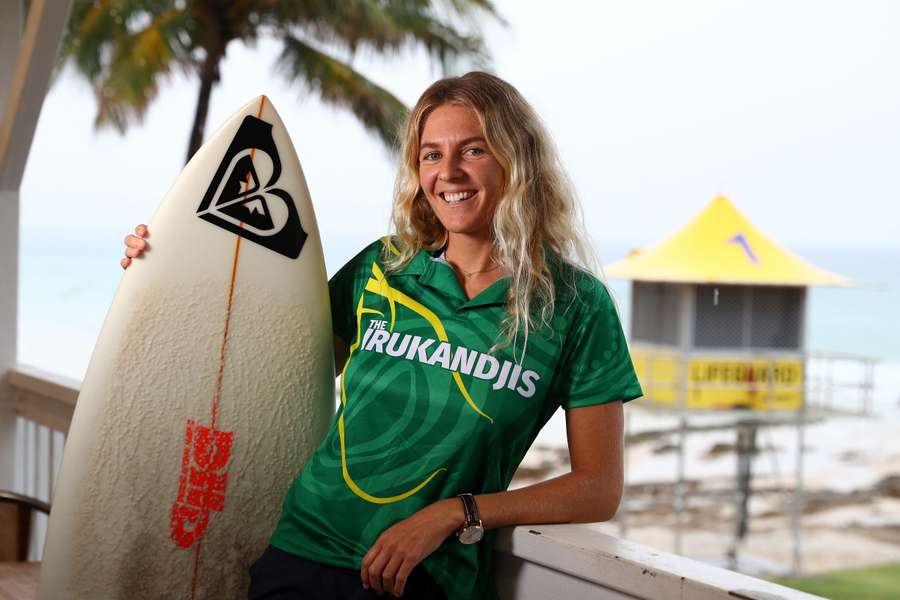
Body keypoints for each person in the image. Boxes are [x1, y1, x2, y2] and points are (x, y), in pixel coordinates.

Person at [122, 71, 643, 600]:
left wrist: (455, 513)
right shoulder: (383, 267)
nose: (449, 172)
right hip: (301, 553)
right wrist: (163, 274)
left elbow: (597, 488)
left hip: (425, 577)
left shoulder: (573, 306)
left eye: (474, 150)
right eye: (431, 155)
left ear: (517, 161)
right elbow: (254, 361)